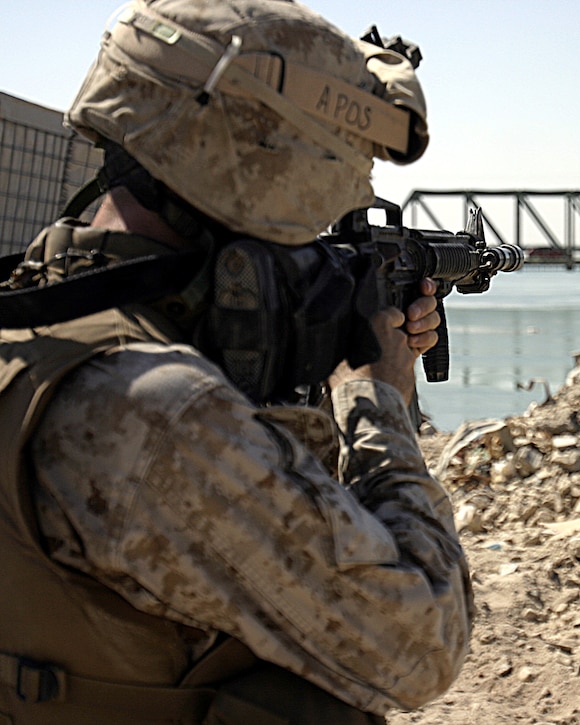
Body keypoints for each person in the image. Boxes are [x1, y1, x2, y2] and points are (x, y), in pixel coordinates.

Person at [0, 1, 472, 723]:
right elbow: (421, 645)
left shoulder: (42, 315)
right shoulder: (156, 409)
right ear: (268, 168)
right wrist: (376, 398)